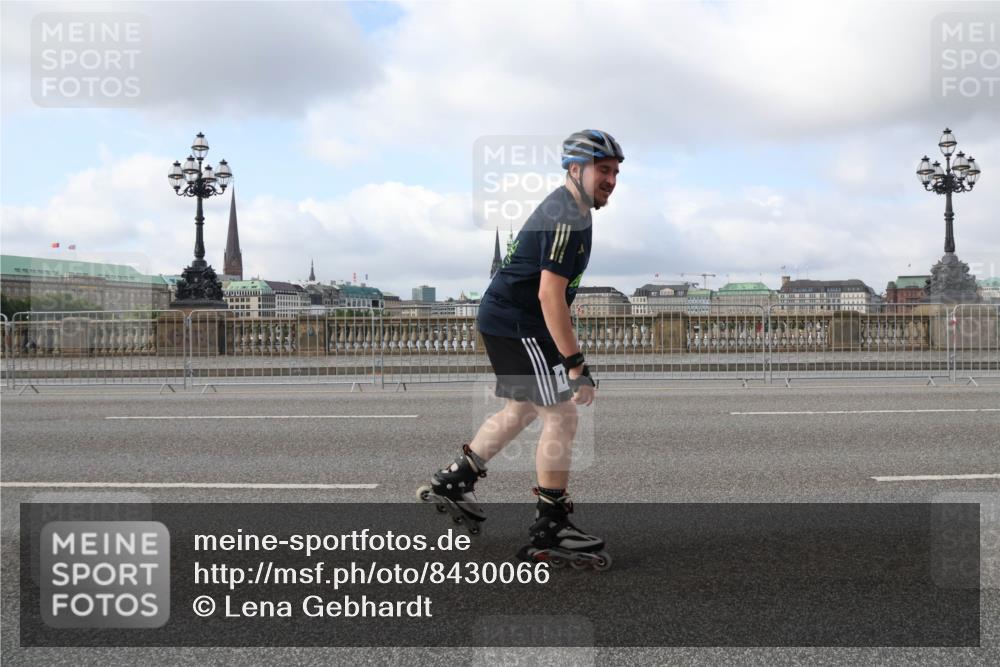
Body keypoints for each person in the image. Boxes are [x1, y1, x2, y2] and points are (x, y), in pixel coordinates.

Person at [418, 130, 623, 569]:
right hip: (519, 322)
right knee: (562, 414)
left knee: (524, 410)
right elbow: (551, 296)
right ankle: (550, 525)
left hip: (509, 318)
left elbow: (550, 294)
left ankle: (456, 479)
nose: (611, 179)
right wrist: (574, 364)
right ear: (575, 169)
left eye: (615, 172)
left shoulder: (570, 208)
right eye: (603, 170)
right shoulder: (567, 215)